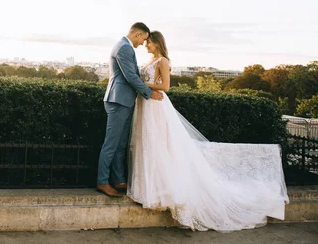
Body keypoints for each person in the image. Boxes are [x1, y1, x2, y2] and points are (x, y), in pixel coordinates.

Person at [127, 30, 289, 231]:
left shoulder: (163, 61)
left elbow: (166, 86)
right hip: (146, 103)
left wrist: (141, 83)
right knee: (147, 143)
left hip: (156, 104)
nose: (146, 45)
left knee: (158, 144)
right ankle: (148, 188)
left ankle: (159, 190)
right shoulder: (150, 60)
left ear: (157, 44)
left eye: (149, 42)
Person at [97, 22, 164, 198]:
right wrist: (149, 93)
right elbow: (130, 76)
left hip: (123, 100)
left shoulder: (124, 45)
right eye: (143, 39)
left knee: (120, 144)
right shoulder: (125, 47)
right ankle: (102, 182)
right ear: (138, 34)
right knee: (111, 144)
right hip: (118, 100)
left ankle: (118, 180)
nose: (143, 43)